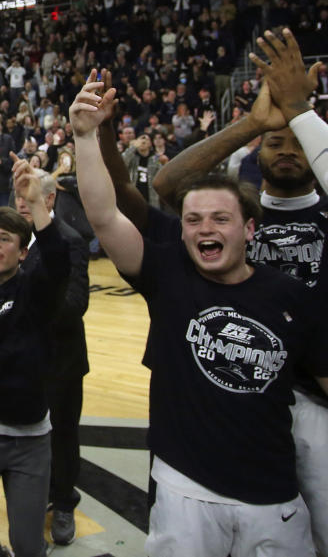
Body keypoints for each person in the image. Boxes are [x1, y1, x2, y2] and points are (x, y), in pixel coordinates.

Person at [71, 68, 328, 557]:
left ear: (251, 230)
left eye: (220, 219)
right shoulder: (171, 270)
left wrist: (301, 111)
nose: (205, 227)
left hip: (276, 477)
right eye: (193, 220)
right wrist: (86, 136)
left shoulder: (290, 297)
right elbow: (107, 213)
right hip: (187, 481)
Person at [152, 29, 328, 555]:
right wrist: (253, 123)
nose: (288, 150)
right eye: (277, 142)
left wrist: (300, 113)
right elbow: (167, 185)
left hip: (314, 395)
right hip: (233, 383)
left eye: (298, 143)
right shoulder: (231, 214)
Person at [0, 159, 71, 557]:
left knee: (29, 543)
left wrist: (36, 204)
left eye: (6, 238)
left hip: (30, 439)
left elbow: (59, 262)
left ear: (23, 251)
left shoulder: (34, 293)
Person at [14, 169, 90, 545]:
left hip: (60, 359)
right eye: (18, 198)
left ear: (50, 200)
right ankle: (38, 495)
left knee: (62, 435)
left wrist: (27, 308)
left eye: (30, 198)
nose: (22, 206)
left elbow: (76, 303)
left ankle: (63, 502)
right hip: (23, 361)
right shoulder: (11, 240)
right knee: (28, 435)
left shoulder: (70, 241)